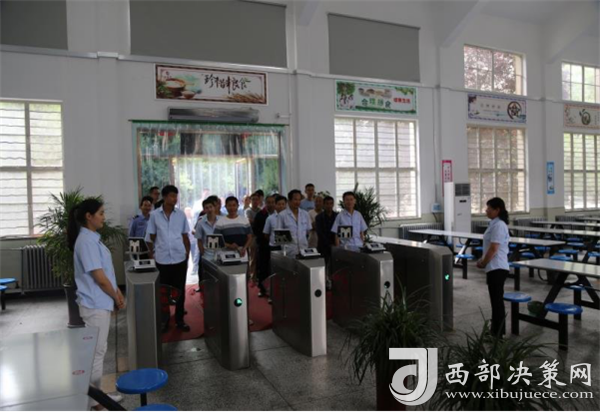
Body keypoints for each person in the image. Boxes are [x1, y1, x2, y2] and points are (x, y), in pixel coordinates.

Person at [67, 198, 125, 410]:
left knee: (98, 350)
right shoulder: (87, 242)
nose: (103, 217)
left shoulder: (91, 238)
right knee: (97, 353)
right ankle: (95, 400)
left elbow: (105, 273)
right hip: (95, 303)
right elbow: (99, 278)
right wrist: (116, 297)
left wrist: (116, 291)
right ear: (88, 216)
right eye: (100, 213)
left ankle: (98, 395)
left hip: (99, 301)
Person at [145, 185, 191, 331]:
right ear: (164, 197)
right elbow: (150, 237)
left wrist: (187, 253)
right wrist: (152, 255)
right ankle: (164, 321)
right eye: (171, 196)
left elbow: (185, 236)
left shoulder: (181, 215)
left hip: (179, 258)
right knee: (163, 292)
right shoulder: (154, 215)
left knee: (180, 291)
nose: (174, 199)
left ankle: (179, 320)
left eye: (176, 196)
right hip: (162, 259)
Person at [476, 197, 510, 337]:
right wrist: (483, 260)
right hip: (494, 267)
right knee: (495, 302)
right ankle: (495, 331)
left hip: (497, 267)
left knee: (497, 302)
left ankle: (498, 334)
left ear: (497, 210)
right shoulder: (494, 223)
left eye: (489, 208)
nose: (486, 210)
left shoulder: (499, 225)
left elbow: (494, 248)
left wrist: (483, 262)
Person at [253, 194, 276, 297]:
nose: (271, 204)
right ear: (265, 203)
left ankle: (274, 290)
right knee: (263, 267)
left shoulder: (278, 215)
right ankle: (262, 289)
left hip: (275, 246)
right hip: (263, 245)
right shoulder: (260, 215)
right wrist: (265, 237)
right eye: (268, 202)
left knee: (274, 268)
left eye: (272, 202)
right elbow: (256, 230)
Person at [195, 198, 221, 283]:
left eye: (211, 207)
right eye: (206, 208)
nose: (209, 209)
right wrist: (202, 252)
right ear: (204, 210)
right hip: (207, 255)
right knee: (208, 279)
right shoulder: (201, 222)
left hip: (220, 254)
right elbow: (199, 239)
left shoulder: (221, 220)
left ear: (214, 207)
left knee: (220, 279)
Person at [280, 189, 311, 256]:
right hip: (289, 252)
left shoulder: (305, 214)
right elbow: (279, 236)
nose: (297, 202)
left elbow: (308, 232)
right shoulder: (282, 215)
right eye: (295, 199)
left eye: (299, 200)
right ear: (289, 201)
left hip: (303, 250)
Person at [316, 195, 338, 286]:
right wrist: (329, 244)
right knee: (323, 266)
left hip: (335, 245)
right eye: (327, 204)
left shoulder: (337, 216)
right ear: (323, 204)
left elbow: (339, 231)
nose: (329, 206)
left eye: (330, 204)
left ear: (333, 204)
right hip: (323, 245)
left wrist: (335, 244)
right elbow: (320, 233)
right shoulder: (319, 217)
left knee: (335, 266)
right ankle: (323, 284)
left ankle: (334, 283)